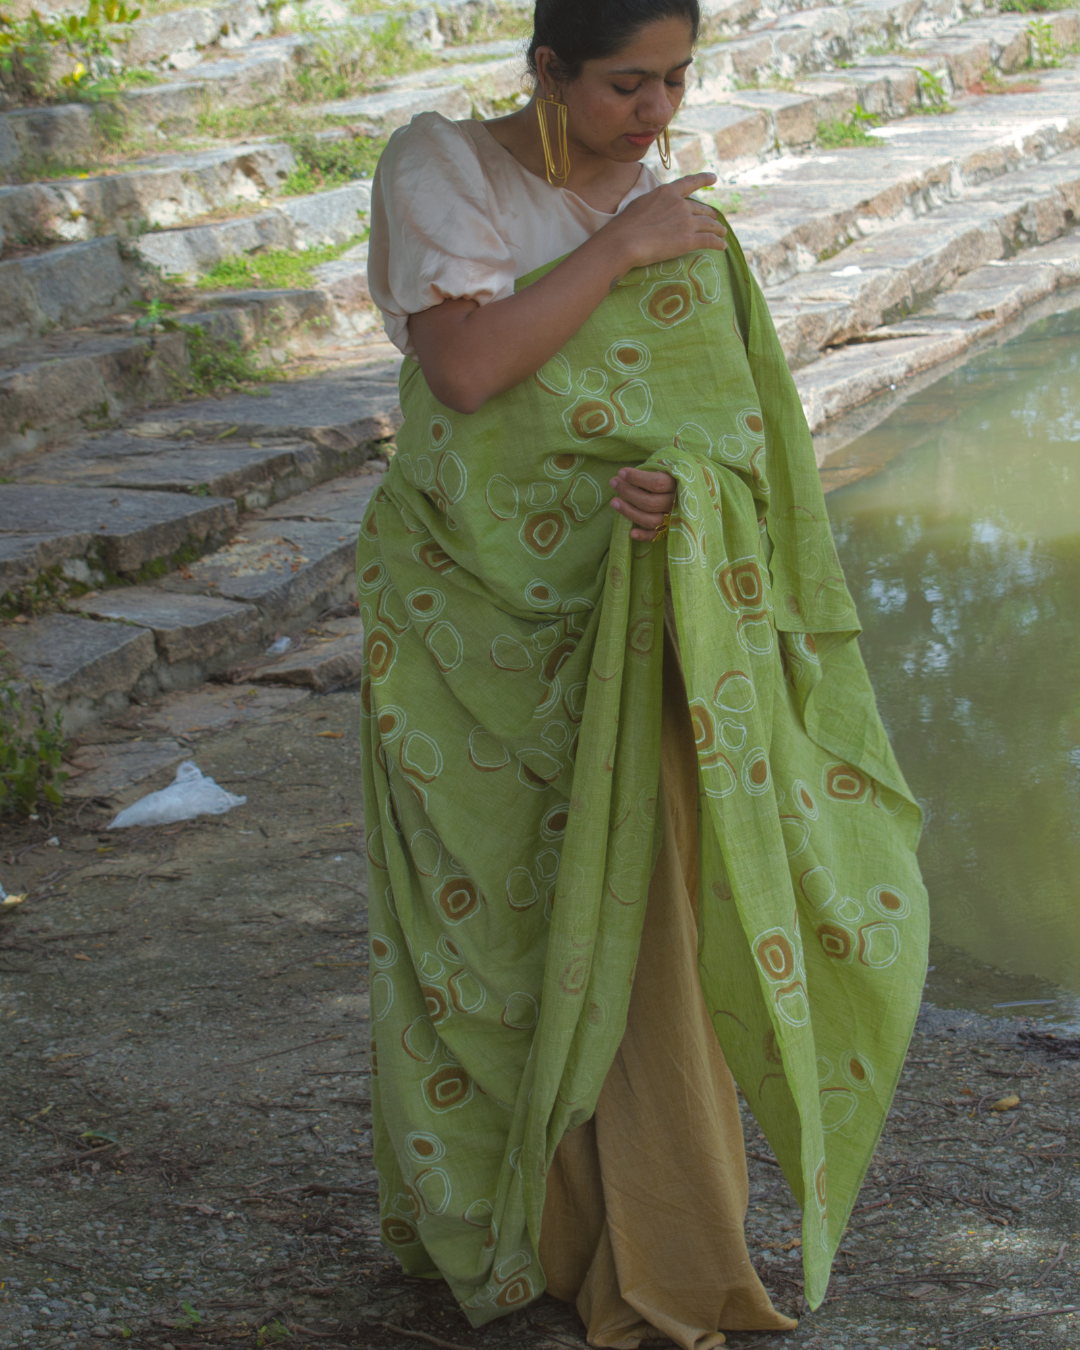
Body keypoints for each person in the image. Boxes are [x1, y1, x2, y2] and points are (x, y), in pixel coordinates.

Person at [359, 1, 929, 1346]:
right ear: (546, 67)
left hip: (641, 625)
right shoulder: (445, 168)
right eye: (627, 84)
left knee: (648, 925)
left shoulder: (678, 213)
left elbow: (729, 433)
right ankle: (520, 1232)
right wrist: (621, 244)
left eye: (677, 80)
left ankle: (663, 1240)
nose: (657, 112)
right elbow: (473, 365)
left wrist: (685, 499)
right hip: (473, 627)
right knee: (489, 922)